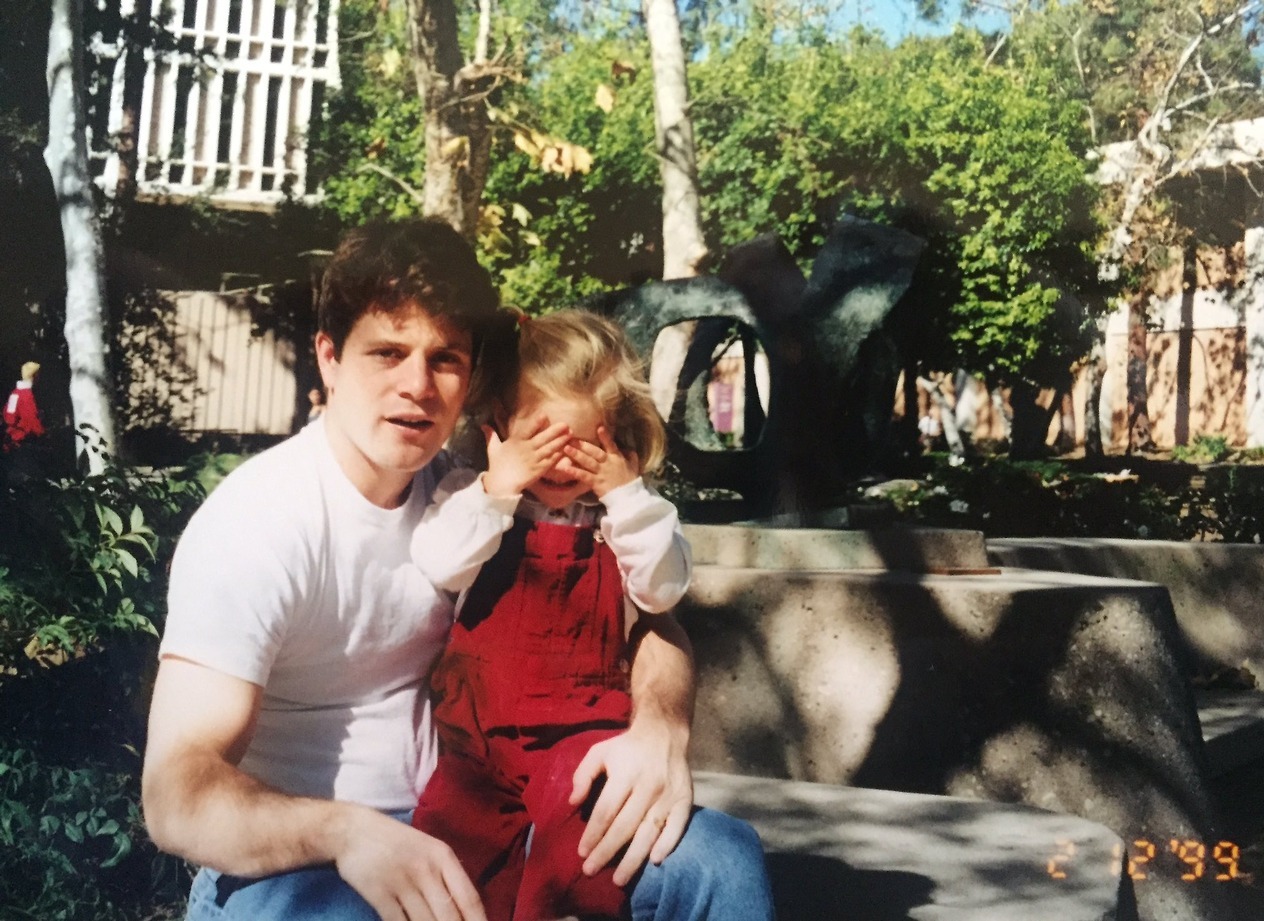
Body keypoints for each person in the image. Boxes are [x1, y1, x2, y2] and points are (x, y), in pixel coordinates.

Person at [141, 218, 774, 921]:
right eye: (387, 351)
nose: (417, 384)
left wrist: (660, 728)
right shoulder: (258, 524)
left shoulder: (481, 492)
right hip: (303, 866)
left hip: (482, 828)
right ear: (329, 357)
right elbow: (177, 794)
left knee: (721, 859)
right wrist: (348, 832)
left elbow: (657, 620)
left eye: (444, 358)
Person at [410, 309, 726, 921]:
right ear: (496, 428)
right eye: (539, 442)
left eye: (582, 446)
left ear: (619, 438)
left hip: (581, 733)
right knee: (449, 858)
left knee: (575, 853)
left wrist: (626, 497)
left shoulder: (628, 518)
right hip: (475, 742)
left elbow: (662, 592)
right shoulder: (473, 499)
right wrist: (498, 491)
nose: (558, 464)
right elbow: (441, 564)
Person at [3, 361, 45, 449]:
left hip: (11, 440)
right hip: (23, 441)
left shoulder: (15, 393)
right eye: (38, 374)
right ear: (33, 376)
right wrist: (42, 433)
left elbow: (8, 417)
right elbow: (30, 420)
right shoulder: (26, 395)